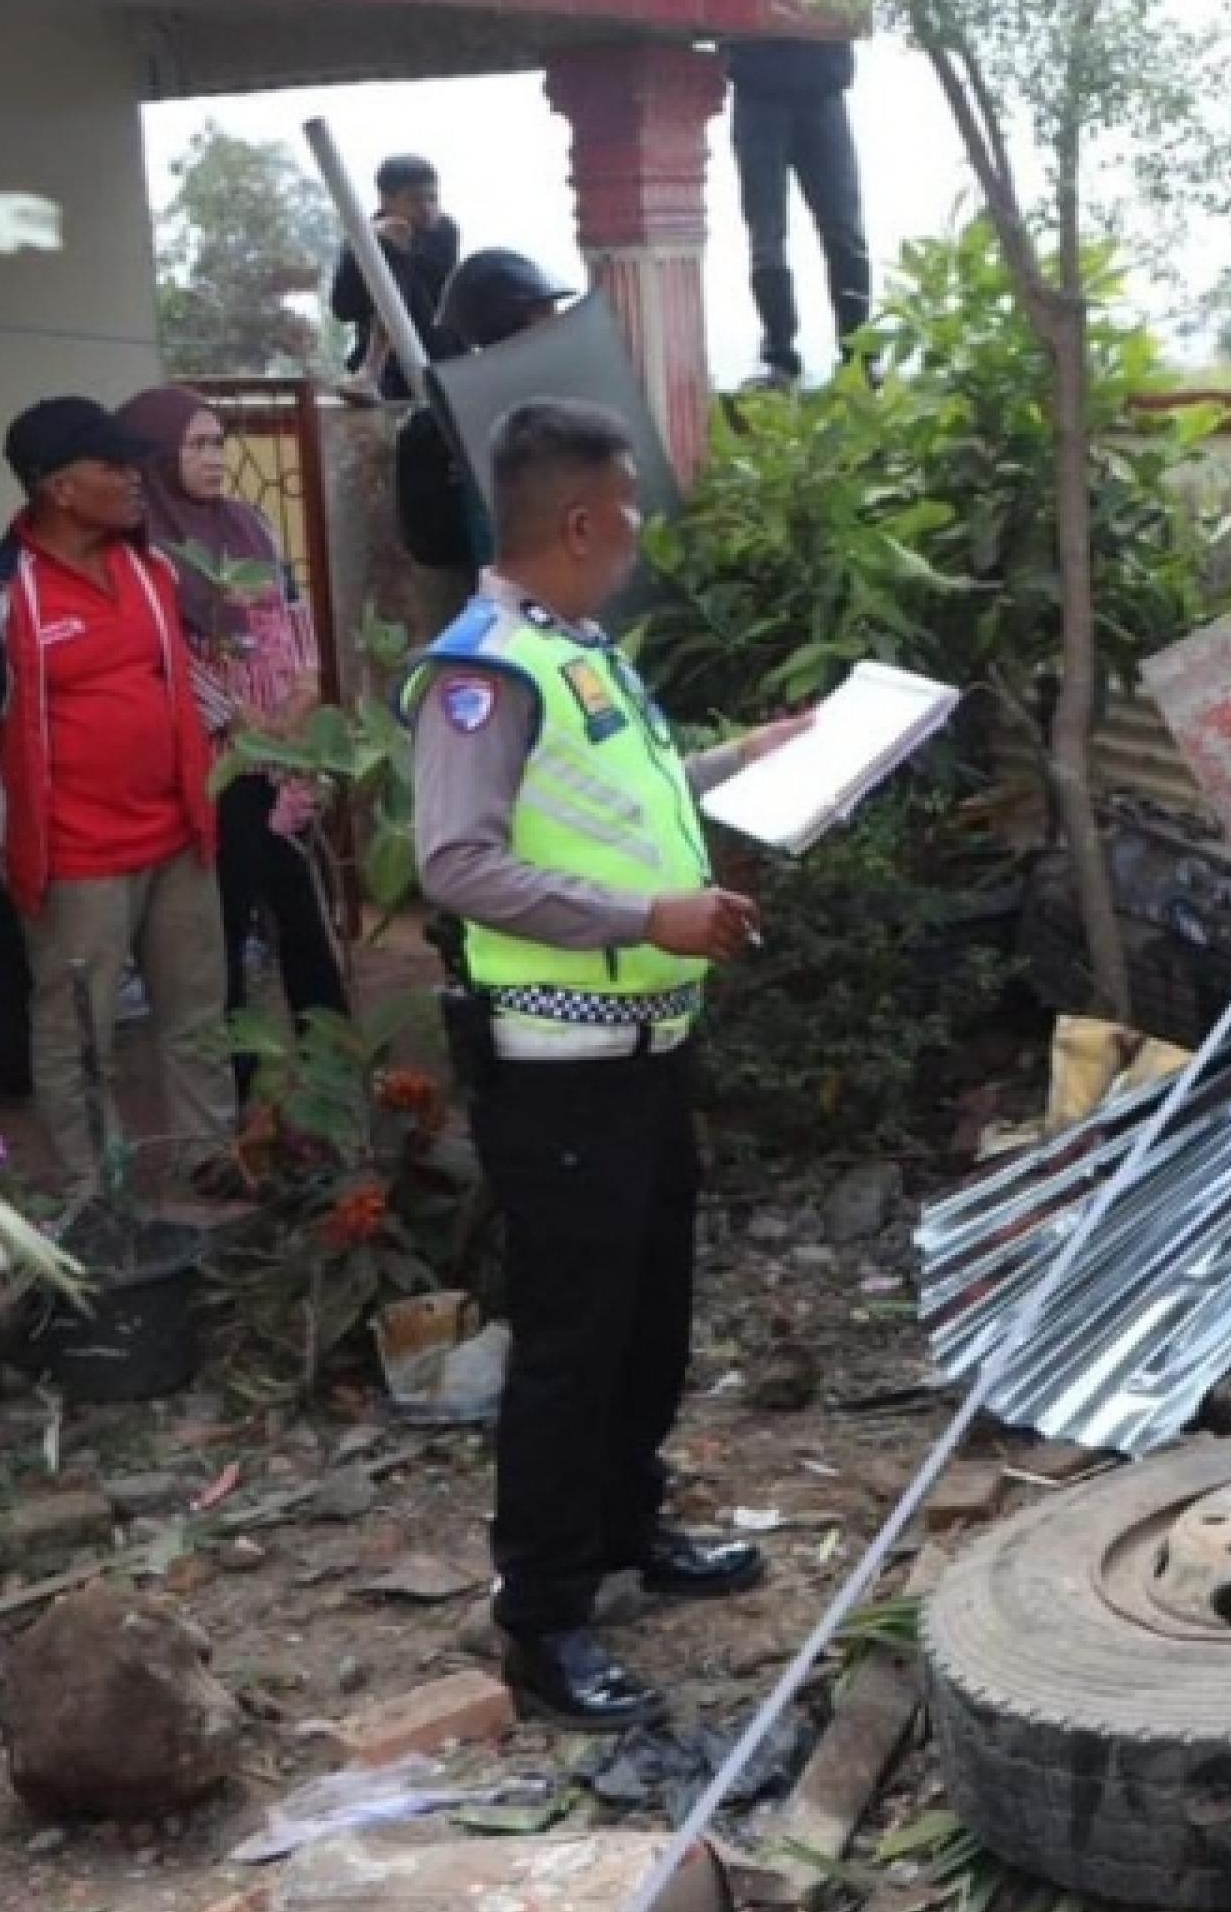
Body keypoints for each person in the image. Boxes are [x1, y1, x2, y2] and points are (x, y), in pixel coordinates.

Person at [401, 398, 810, 1727]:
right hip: (556, 1062)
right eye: (632, 506)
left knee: (648, 1324)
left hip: (644, 1049)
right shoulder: (486, 671)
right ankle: (544, 1620)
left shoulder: (578, 652)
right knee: (572, 1348)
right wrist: (650, 921)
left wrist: (757, 755)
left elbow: (628, 804)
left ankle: (631, 1532)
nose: (641, 531)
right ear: (581, 519)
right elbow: (457, 863)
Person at [0, 399, 236, 1189]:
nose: (137, 480)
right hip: (77, 861)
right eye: (114, 467)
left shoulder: (148, 567)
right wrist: (14, 830)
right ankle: (90, 1191)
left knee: (197, 1013)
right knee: (78, 1034)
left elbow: (177, 676)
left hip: (179, 839)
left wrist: (236, 737)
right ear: (58, 487)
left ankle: (209, 1157)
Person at [117, 387, 351, 1069]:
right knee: (225, 924)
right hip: (219, 763)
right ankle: (238, 1084)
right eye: (197, 444)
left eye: (219, 442)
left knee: (303, 909)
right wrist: (238, 717)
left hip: (285, 751)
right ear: (158, 455)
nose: (215, 457)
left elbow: (291, 604)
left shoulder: (251, 525)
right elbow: (163, 655)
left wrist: (305, 686)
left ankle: (333, 1059)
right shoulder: (147, 553)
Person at [394, 248, 576, 578]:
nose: (556, 318)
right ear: (520, 319)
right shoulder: (529, 407)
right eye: (545, 310)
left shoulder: (454, 407)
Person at [725, 38, 871, 384]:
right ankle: (779, 357)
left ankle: (860, 354)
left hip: (822, 91)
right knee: (766, 237)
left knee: (845, 233)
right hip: (758, 94)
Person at [329, 154, 462, 402]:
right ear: (386, 201)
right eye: (414, 200)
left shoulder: (444, 231)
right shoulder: (364, 237)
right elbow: (343, 308)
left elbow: (435, 282)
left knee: (395, 253)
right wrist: (370, 241)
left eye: (432, 198)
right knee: (390, 252)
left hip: (438, 354)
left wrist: (400, 246)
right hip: (392, 370)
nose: (426, 209)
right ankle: (371, 371)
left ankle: (371, 371)